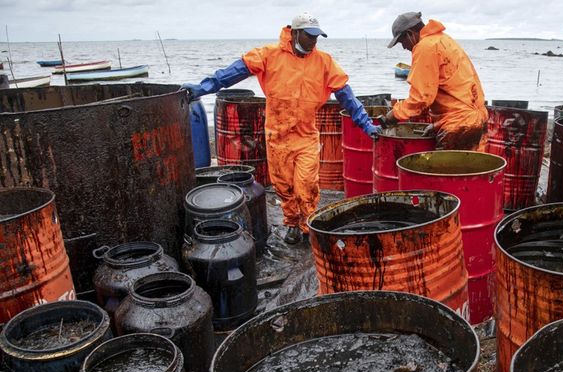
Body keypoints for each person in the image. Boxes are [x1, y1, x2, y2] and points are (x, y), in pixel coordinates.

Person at [183, 12, 381, 244]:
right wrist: (201, 88)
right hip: (277, 136)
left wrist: (367, 124)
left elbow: (346, 95)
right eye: (309, 36)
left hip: (306, 136)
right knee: (284, 186)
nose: (314, 41)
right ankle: (291, 223)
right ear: (295, 33)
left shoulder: (324, 62)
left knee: (307, 185)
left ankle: (309, 227)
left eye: (317, 37)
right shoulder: (268, 55)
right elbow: (229, 74)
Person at [381, 12, 488, 151]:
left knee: (446, 171)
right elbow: (457, 90)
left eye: (402, 41)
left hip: (457, 126)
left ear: (410, 33)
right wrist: (436, 125)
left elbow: (421, 98)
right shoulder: (444, 40)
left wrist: (393, 115)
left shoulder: (425, 48)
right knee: (473, 171)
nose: (404, 47)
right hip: (477, 119)